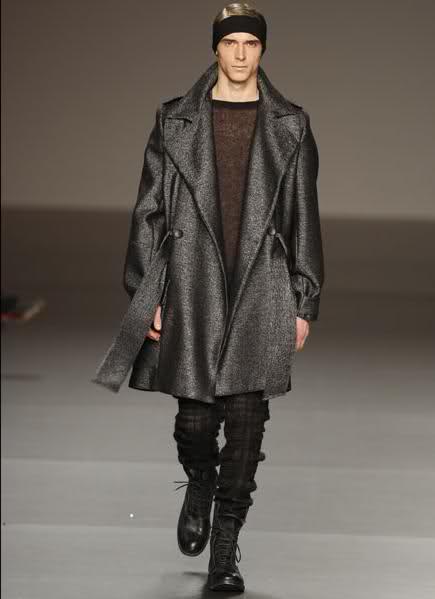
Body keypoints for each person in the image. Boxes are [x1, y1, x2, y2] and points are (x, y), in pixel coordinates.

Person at [93, 2, 324, 592]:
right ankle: (199, 479)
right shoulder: (175, 119)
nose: (241, 54)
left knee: (247, 425)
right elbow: (148, 211)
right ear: (216, 48)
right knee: (196, 420)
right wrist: (147, 292)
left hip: (263, 285)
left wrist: (303, 300)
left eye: (251, 43)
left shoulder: (291, 124)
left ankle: (225, 552)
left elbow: (304, 216)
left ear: (262, 50)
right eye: (231, 43)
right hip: (192, 284)